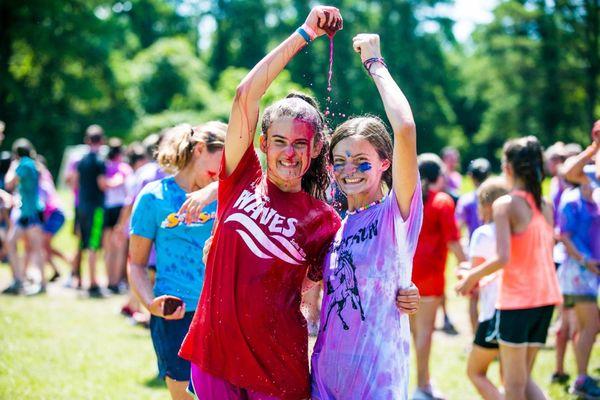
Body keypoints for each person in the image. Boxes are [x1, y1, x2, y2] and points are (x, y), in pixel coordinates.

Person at [179, 7, 345, 399]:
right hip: (214, 352)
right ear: (263, 144)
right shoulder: (241, 176)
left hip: (278, 369)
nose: (290, 153)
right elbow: (245, 94)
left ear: (317, 147)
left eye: (301, 143)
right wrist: (305, 33)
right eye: (280, 142)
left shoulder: (325, 220)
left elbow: (335, 288)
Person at [310, 33, 423, 399]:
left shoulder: (397, 215)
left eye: (362, 162)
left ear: (385, 163)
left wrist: (375, 63)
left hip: (378, 382)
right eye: (339, 162)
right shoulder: (336, 226)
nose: (349, 172)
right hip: (324, 378)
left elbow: (404, 128)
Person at [456, 136, 562, 400]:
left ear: (508, 168)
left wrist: (470, 277)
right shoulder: (545, 205)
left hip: (518, 303)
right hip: (546, 300)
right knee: (524, 382)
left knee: (513, 386)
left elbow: (503, 257)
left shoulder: (505, 205)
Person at [128, 122, 225, 400]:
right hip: (176, 316)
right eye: (221, 160)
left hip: (221, 314)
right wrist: (150, 305)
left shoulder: (226, 196)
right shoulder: (154, 197)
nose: (222, 173)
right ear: (199, 149)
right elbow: (136, 264)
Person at [411, 152, 467, 400]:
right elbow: (454, 241)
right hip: (430, 278)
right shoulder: (442, 201)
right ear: (437, 176)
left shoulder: (407, 199)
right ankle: (422, 386)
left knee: (413, 335)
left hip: (404, 276)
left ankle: (417, 381)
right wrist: (467, 267)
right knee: (424, 334)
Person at [556, 125, 600, 398]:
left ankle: (581, 375)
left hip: (592, 270)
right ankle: (581, 379)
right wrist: (594, 149)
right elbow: (564, 236)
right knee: (589, 325)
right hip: (579, 270)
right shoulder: (580, 189)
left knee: (586, 326)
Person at [461, 177, 508, 400]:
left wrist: (463, 275)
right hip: (516, 311)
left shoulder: (483, 233)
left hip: (492, 313)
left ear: (488, 205)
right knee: (509, 378)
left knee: (474, 372)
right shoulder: (515, 232)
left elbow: (474, 280)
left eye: (479, 203)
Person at [3, 139, 45, 295]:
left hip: (31, 213)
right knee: (12, 241)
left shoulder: (23, 164)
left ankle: (40, 284)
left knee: (35, 247)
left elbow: (8, 183)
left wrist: (13, 166)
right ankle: (19, 279)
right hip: (27, 212)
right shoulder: (32, 164)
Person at [456, 157, 492, 334]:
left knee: (473, 299)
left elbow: (458, 226)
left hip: (474, 251)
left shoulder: (466, 200)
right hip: (493, 252)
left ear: (470, 176)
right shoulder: (496, 199)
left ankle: (476, 336)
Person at [75, 126, 107, 297]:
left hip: (82, 206)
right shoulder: (99, 161)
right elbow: (102, 184)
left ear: (87, 140)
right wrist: (116, 182)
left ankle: (78, 278)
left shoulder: (81, 160)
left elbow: (75, 182)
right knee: (94, 245)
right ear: (101, 141)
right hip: (96, 207)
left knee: (82, 243)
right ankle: (93, 282)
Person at [103, 138, 133, 293]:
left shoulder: (104, 166)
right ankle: (117, 281)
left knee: (108, 248)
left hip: (106, 208)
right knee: (120, 248)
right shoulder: (125, 168)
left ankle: (110, 280)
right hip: (120, 209)